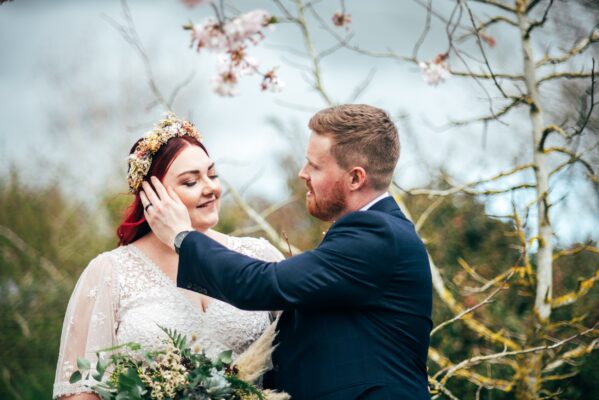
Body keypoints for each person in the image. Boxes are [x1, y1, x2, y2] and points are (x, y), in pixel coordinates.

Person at [143, 104, 433, 400]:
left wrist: (183, 237)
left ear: (355, 178)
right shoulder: (374, 232)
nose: (302, 173)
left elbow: (264, 284)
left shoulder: (377, 235)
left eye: (315, 166)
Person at [53, 113, 284, 399]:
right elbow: (79, 389)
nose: (211, 188)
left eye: (212, 175)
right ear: (151, 194)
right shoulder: (110, 271)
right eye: (191, 182)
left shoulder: (259, 255)